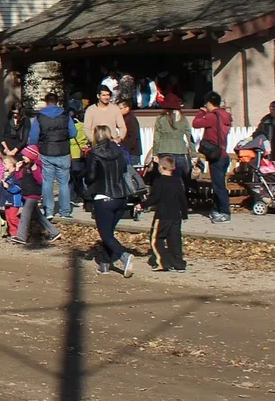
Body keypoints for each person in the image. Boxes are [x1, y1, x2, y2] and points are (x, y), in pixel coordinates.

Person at [83, 125, 136, 276]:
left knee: (106, 234)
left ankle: (124, 256)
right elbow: (125, 170)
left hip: (104, 197)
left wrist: (86, 179)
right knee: (109, 233)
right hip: (121, 197)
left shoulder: (94, 153)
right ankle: (104, 264)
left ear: (96, 136)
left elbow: (91, 176)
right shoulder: (120, 151)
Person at [27, 92, 77, 219]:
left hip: (46, 151)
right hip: (63, 151)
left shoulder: (40, 117)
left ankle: (48, 211)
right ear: (57, 102)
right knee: (64, 183)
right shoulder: (65, 115)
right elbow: (73, 133)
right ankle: (65, 212)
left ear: (45, 102)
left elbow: (33, 137)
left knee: (47, 181)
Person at [3, 139, 59, 246]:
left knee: (25, 215)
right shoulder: (25, 166)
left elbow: (40, 180)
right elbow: (18, 178)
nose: (23, 157)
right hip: (26, 193)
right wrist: (17, 169)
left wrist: (34, 170)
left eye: (25, 156)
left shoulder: (37, 166)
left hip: (33, 194)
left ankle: (21, 236)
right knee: (38, 216)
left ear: (32, 156)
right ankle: (54, 232)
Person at [142, 154, 189, 272]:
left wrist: (142, 205)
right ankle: (179, 264)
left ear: (161, 167)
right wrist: (184, 214)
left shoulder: (159, 181)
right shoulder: (177, 181)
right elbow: (182, 199)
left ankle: (162, 262)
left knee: (156, 239)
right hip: (175, 216)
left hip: (162, 215)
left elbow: (155, 198)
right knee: (175, 240)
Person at [193, 92, 234, 223]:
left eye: (206, 103)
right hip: (223, 154)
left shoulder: (212, 116)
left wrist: (201, 112)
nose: (206, 106)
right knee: (218, 184)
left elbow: (195, 123)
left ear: (210, 103)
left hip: (216, 156)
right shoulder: (225, 116)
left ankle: (225, 212)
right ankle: (216, 209)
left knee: (218, 186)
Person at [148, 98, 193, 194]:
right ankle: (179, 199)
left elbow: (156, 138)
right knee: (178, 180)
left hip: (164, 151)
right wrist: (194, 154)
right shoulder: (182, 118)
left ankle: (166, 199)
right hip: (180, 151)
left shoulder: (161, 118)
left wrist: (155, 153)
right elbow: (190, 137)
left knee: (165, 180)